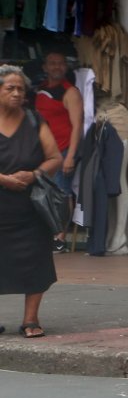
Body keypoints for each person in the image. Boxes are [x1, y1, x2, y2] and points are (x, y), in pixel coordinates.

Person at [0, 65, 64, 337]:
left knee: (35, 259)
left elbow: (55, 158)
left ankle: (31, 320)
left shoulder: (35, 120)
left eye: (21, 89)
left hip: (30, 206)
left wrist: (34, 174)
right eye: (10, 88)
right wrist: (3, 179)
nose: (16, 94)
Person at [34, 51, 82, 253]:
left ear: (66, 67)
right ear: (45, 67)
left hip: (62, 150)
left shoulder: (70, 92)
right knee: (42, 193)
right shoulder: (40, 90)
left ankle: (60, 237)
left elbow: (77, 126)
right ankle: (47, 233)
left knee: (62, 194)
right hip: (41, 152)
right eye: (52, 63)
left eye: (61, 63)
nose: (56, 67)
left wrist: (70, 155)